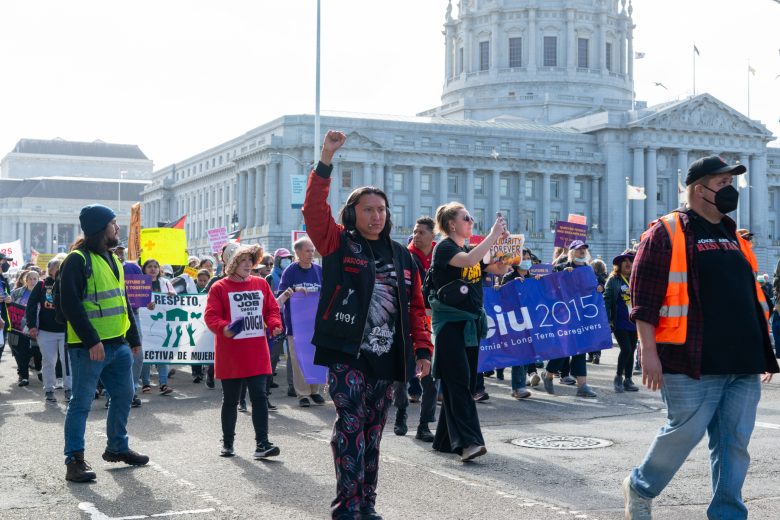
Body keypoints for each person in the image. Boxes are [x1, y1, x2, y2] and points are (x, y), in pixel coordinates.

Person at [623, 155, 779, 519]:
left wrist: (764, 348)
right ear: (699, 189)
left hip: (742, 360)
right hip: (689, 359)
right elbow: (643, 297)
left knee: (733, 444)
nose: (731, 191)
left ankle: (727, 512)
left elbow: (750, 297)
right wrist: (648, 352)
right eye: (723, 184)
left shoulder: (733, 235)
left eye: (731, 184)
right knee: (683, 433)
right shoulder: (666, 231)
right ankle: (641, 487)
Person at [302, 130, 433, 520]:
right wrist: (326, 156)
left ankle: (368, 503)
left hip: (388, 359)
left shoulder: (402, 256)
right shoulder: (337, 243)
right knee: (350, 426)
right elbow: (313, 211)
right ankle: (347, 505)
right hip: (347, 354)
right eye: (368, 209)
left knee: (373, 433)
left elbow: (416, 306)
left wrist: (423, 349)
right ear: (352, 214)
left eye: (382, 209)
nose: (376, 216)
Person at [61, 204, 148, 483]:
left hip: (118, 345)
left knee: (124, 396)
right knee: (82, 403)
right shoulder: (76, 260)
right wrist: (92, 340)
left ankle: (117, 448)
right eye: (113, 223)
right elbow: (69, 305)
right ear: (100, 228)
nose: (117, 228)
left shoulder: (114, 260)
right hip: (90, 349)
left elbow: (123, 304)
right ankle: (74, 460)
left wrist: (133, 339)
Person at [428, 202, 511, 462]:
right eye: (467, 218)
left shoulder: (465, 248)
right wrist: (492, 236)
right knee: (461, 383)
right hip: (451, 326)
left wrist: (504, 257)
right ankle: (469, 442)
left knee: (458, 383)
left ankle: (443, 440)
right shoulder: (445, 248)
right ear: (452, 224)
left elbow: (493, 269)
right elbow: (469, 260)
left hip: (470, 325)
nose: (471, 221)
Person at [204, 244, 283, 459]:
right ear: (232, 264)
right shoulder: (219, 287)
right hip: (231, 352)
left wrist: (275, 324)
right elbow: (211, 316)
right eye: (243, 260)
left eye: (251, 260)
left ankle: (262, 444)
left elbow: (271, 309)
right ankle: (228, 443)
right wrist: (225, 328)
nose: (249, 264)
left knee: (259, 395)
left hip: (256, 350)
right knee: (230, 399)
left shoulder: (260, 284)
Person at [393, 216, 438, 441]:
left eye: (421, 232)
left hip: (434, 324)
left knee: (430, 376)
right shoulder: (405, 256)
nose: (416, 236)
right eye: (415, 231)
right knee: (402, 372)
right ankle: (401, 413)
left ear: (433, 235)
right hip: (407, 322)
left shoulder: (442, 256)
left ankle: (424, 425)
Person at [541, 240, 598, 398]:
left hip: (583, 314)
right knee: (566, 349)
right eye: (578, 249)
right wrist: (564, 275)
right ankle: (549, 374)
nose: (582, 251)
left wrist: (599, 287)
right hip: (565, 316)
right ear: (571, 252)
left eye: (584, 249)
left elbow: (594, 287)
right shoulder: (561, 267)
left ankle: (582, 386)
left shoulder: (588, 269)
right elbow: (550, 289)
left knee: (581, 349)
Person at [277, 236, 324, 407]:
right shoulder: (290, 271)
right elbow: (281, 296)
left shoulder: (319, 270)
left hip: (316, 324)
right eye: (307, 250)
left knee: (315, 357)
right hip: (297, 324)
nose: (311, 254)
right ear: (297, 252)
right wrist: (295, 290)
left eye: (312, 250)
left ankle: (314, 391)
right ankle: (302, 393)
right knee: (298, 360)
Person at [26, 256, 71, 403]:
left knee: (67, 361)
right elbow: (31, 305)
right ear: (50, 270)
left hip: (66, 331)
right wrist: (32, 325)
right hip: (45, 332)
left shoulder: (68, 283)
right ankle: (49, 390)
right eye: (57, 268)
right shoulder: (42, 285)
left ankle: (68, 389)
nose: (60, 271)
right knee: (49, 361)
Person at [604, 250, 639, 393]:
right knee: (626, 349)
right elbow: (606, 300)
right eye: (625, 261)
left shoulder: (636, 278)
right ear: (619, 265)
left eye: (631, 261)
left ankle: (628, 380)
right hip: (619, 321)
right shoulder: (614, 280)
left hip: (635, 322)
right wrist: (607, 320)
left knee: (632, 351)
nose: (628, 264)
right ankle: (618, 377)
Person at [139, 259, 176, 395]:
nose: (153, 269)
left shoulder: (166, 283)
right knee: (146, 354)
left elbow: (175, 300)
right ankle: (146, 383)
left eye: (155, 266)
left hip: (162, 324)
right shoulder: (140, 283)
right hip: (145, 324)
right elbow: (136, 302)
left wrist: (171, 296)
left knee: (162, 353)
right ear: (144, 269)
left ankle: (163, 384)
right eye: (150, 267)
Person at [9, 270, 41, 386]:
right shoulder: (18, 292)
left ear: (38, 280)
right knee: (21, 352)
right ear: (26, 280)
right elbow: (9, 302)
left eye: (35, 279)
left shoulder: (42, 293)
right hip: (18, 328)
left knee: (37, 351)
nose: (32, 281)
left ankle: (39, 369)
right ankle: (24, 376)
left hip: (36, 327)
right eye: (30, 279)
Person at [0, 252, 12, 363]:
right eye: (4, 261)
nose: (6, 263)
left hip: (2, 320)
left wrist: (9, 299)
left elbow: (8, 296)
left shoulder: (3, 279)